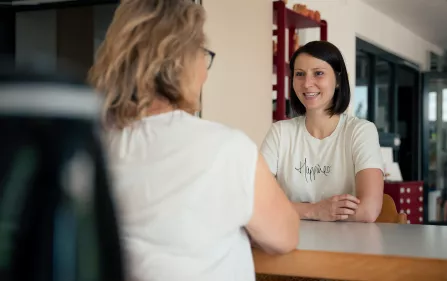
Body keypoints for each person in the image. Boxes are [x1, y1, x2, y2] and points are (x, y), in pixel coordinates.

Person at [88, 1, 299, 280]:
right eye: (202, 53)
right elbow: (285, 235)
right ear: (182, 61)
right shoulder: (227, 149)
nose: (206, 71)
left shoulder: (87, 144)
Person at [261, 41, 384, 223]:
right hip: (290, 241)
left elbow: (368, 210)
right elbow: (257, 202)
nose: (307, 83)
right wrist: (314, 210)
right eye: (299, 74)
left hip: (346, 245)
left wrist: (290, 208)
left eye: (318, 73)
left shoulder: (360, 131)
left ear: (337, 80)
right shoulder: (280, 132)